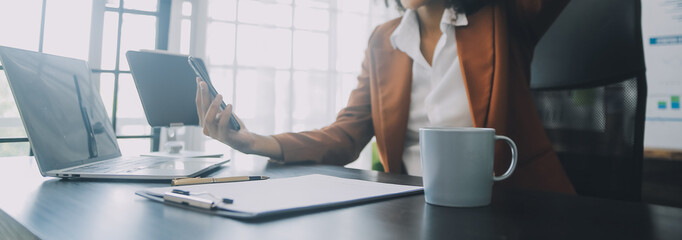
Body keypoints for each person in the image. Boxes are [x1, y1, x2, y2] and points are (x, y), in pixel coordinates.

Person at [196, 0, 575, 194]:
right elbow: (346, 136)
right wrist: (255, 142)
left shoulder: (504, 16)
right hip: (416, 212)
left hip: (516, 208)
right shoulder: (384, 40)